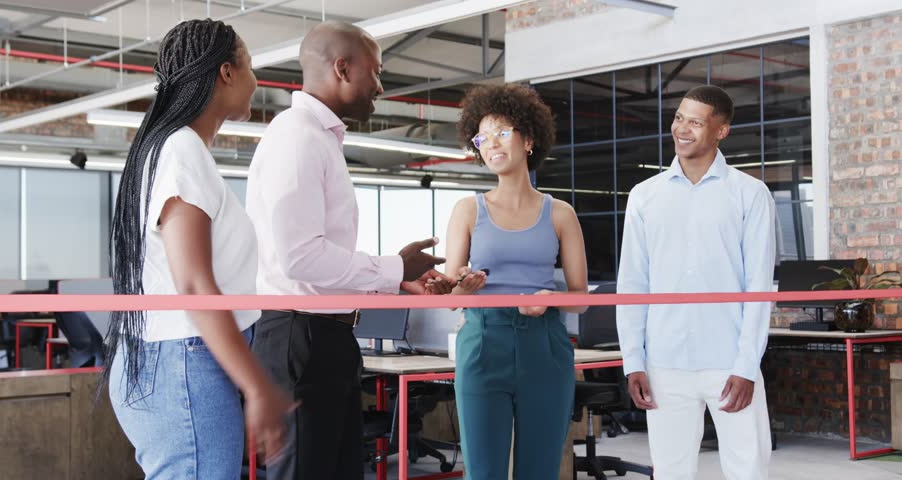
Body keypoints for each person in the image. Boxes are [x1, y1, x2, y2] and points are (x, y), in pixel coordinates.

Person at [246, 21, 450, 480]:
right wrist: (394, 265)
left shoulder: (319, 139)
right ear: (342, 68)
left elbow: (318, 259)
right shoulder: (297, 137)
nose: (379, 86)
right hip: (302, 337)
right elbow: (301, 258)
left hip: (327, 336)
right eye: (375, 72)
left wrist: (395, 279)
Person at [105, 18, 294, 479]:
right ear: (226, 73)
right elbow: (192, 282)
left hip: (173, 362)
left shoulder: (168, 148)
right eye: (250, 66)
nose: (256, 81)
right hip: (185, 365)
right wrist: (257, 385)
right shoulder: (181, 149)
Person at [616, 85, 776, 480]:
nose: (682, 129)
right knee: (670, 472)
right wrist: (633, 359)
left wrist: (747, 365)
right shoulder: (644, 196)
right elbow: (633, 282)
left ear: (721, 130)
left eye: (696, 121)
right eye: (678, 118)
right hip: (664, 362)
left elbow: (759, 287)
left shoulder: (750, 194)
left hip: (729, 360)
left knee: (748, 469)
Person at [430, 83, 588, 479]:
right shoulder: (467, 210)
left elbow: (581, 299)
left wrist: (549, 301)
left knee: (540, 471)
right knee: (483, 472)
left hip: (545, 346)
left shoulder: (561, 213)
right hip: (484, 341)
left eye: (502, 132)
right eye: (483, 137)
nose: (492, 144)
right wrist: (461, 289)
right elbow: (450, 296)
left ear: (529, 139)